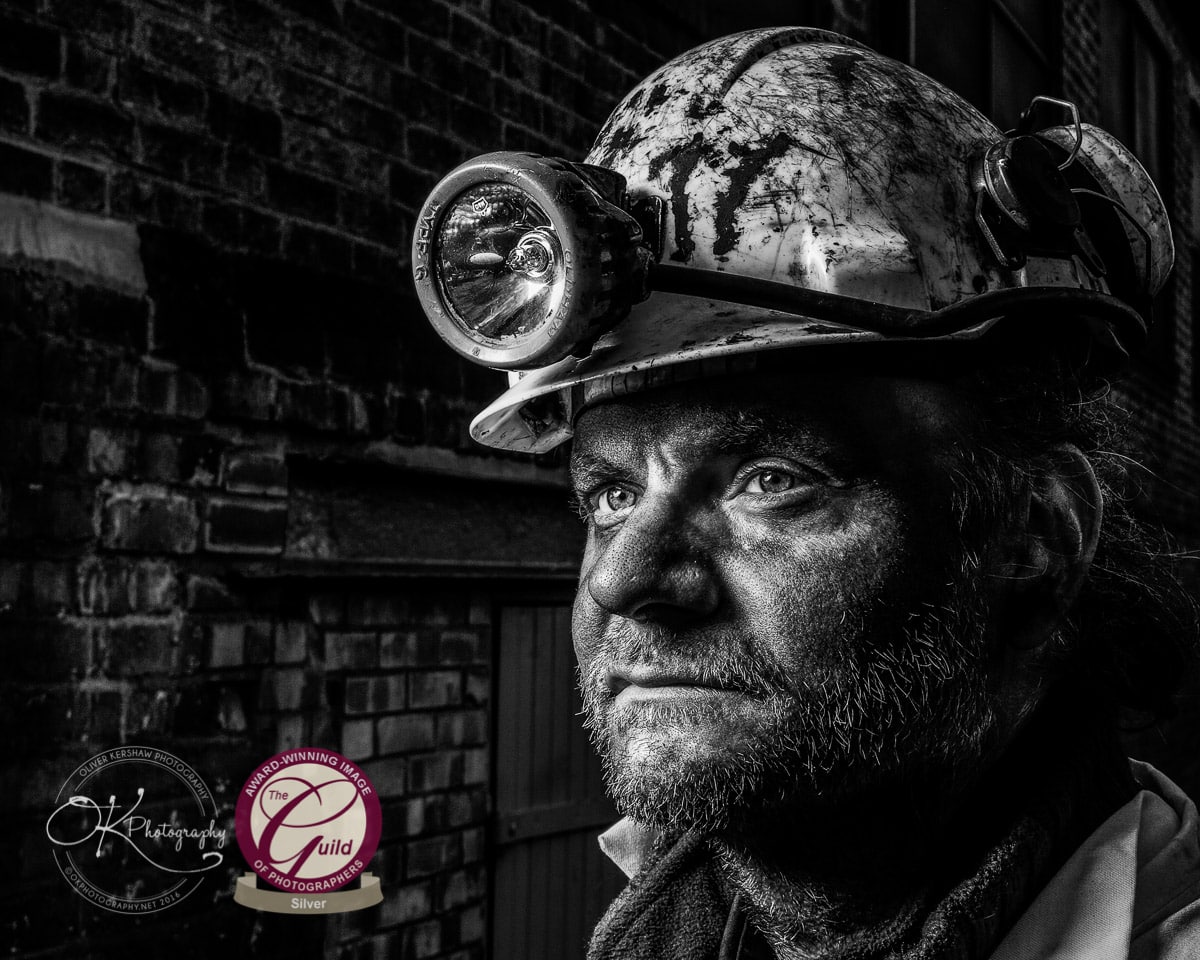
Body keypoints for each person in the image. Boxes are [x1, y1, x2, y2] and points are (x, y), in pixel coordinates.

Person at [411, 27, 1200, 960]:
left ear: (1037, 532)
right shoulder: (670, 927)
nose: (623, 581)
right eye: (610, 497)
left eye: (771, 481)